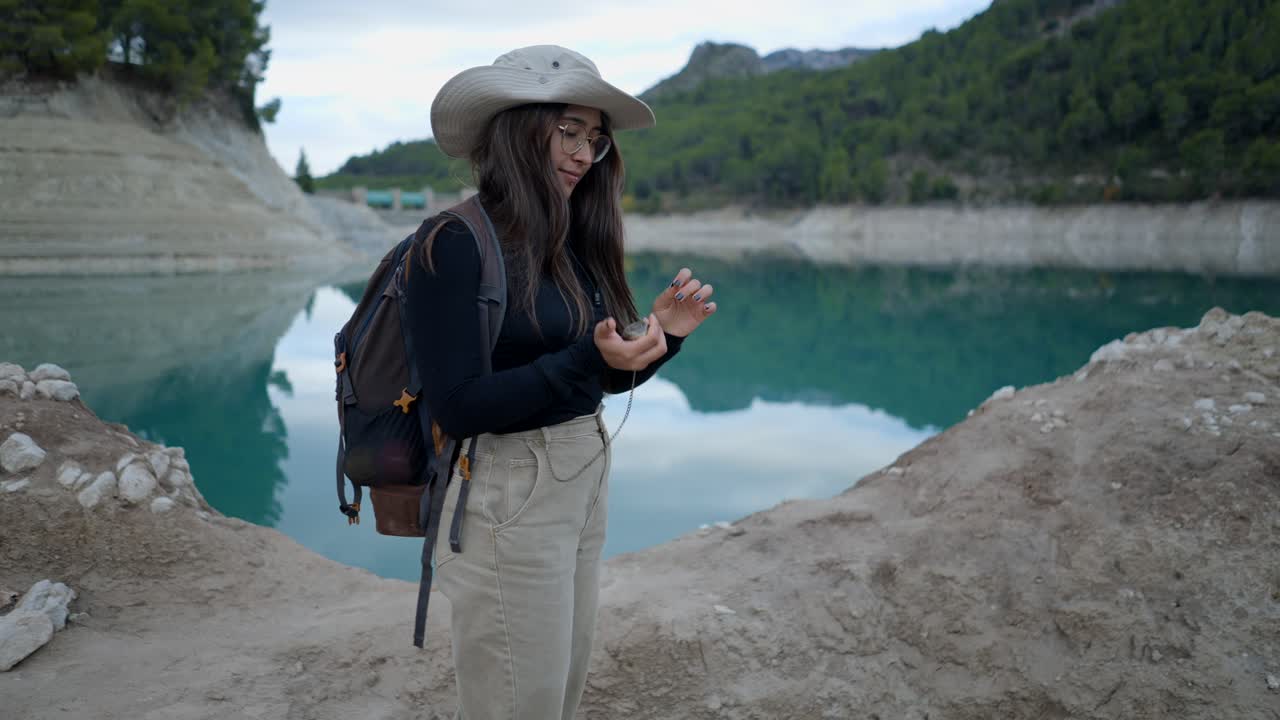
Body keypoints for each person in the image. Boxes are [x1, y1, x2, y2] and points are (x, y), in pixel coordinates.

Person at [407, 45, 718, 719]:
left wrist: (663, 338)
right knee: (519, 699)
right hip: (507, 489)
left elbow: (594, 382)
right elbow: (459, 407)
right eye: (568, 131)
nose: (583, 153)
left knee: (558, 691)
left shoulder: (571, 240)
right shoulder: (452, 243)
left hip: (581, 469)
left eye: (595, 140)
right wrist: (587, 358)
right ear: (521, 129)